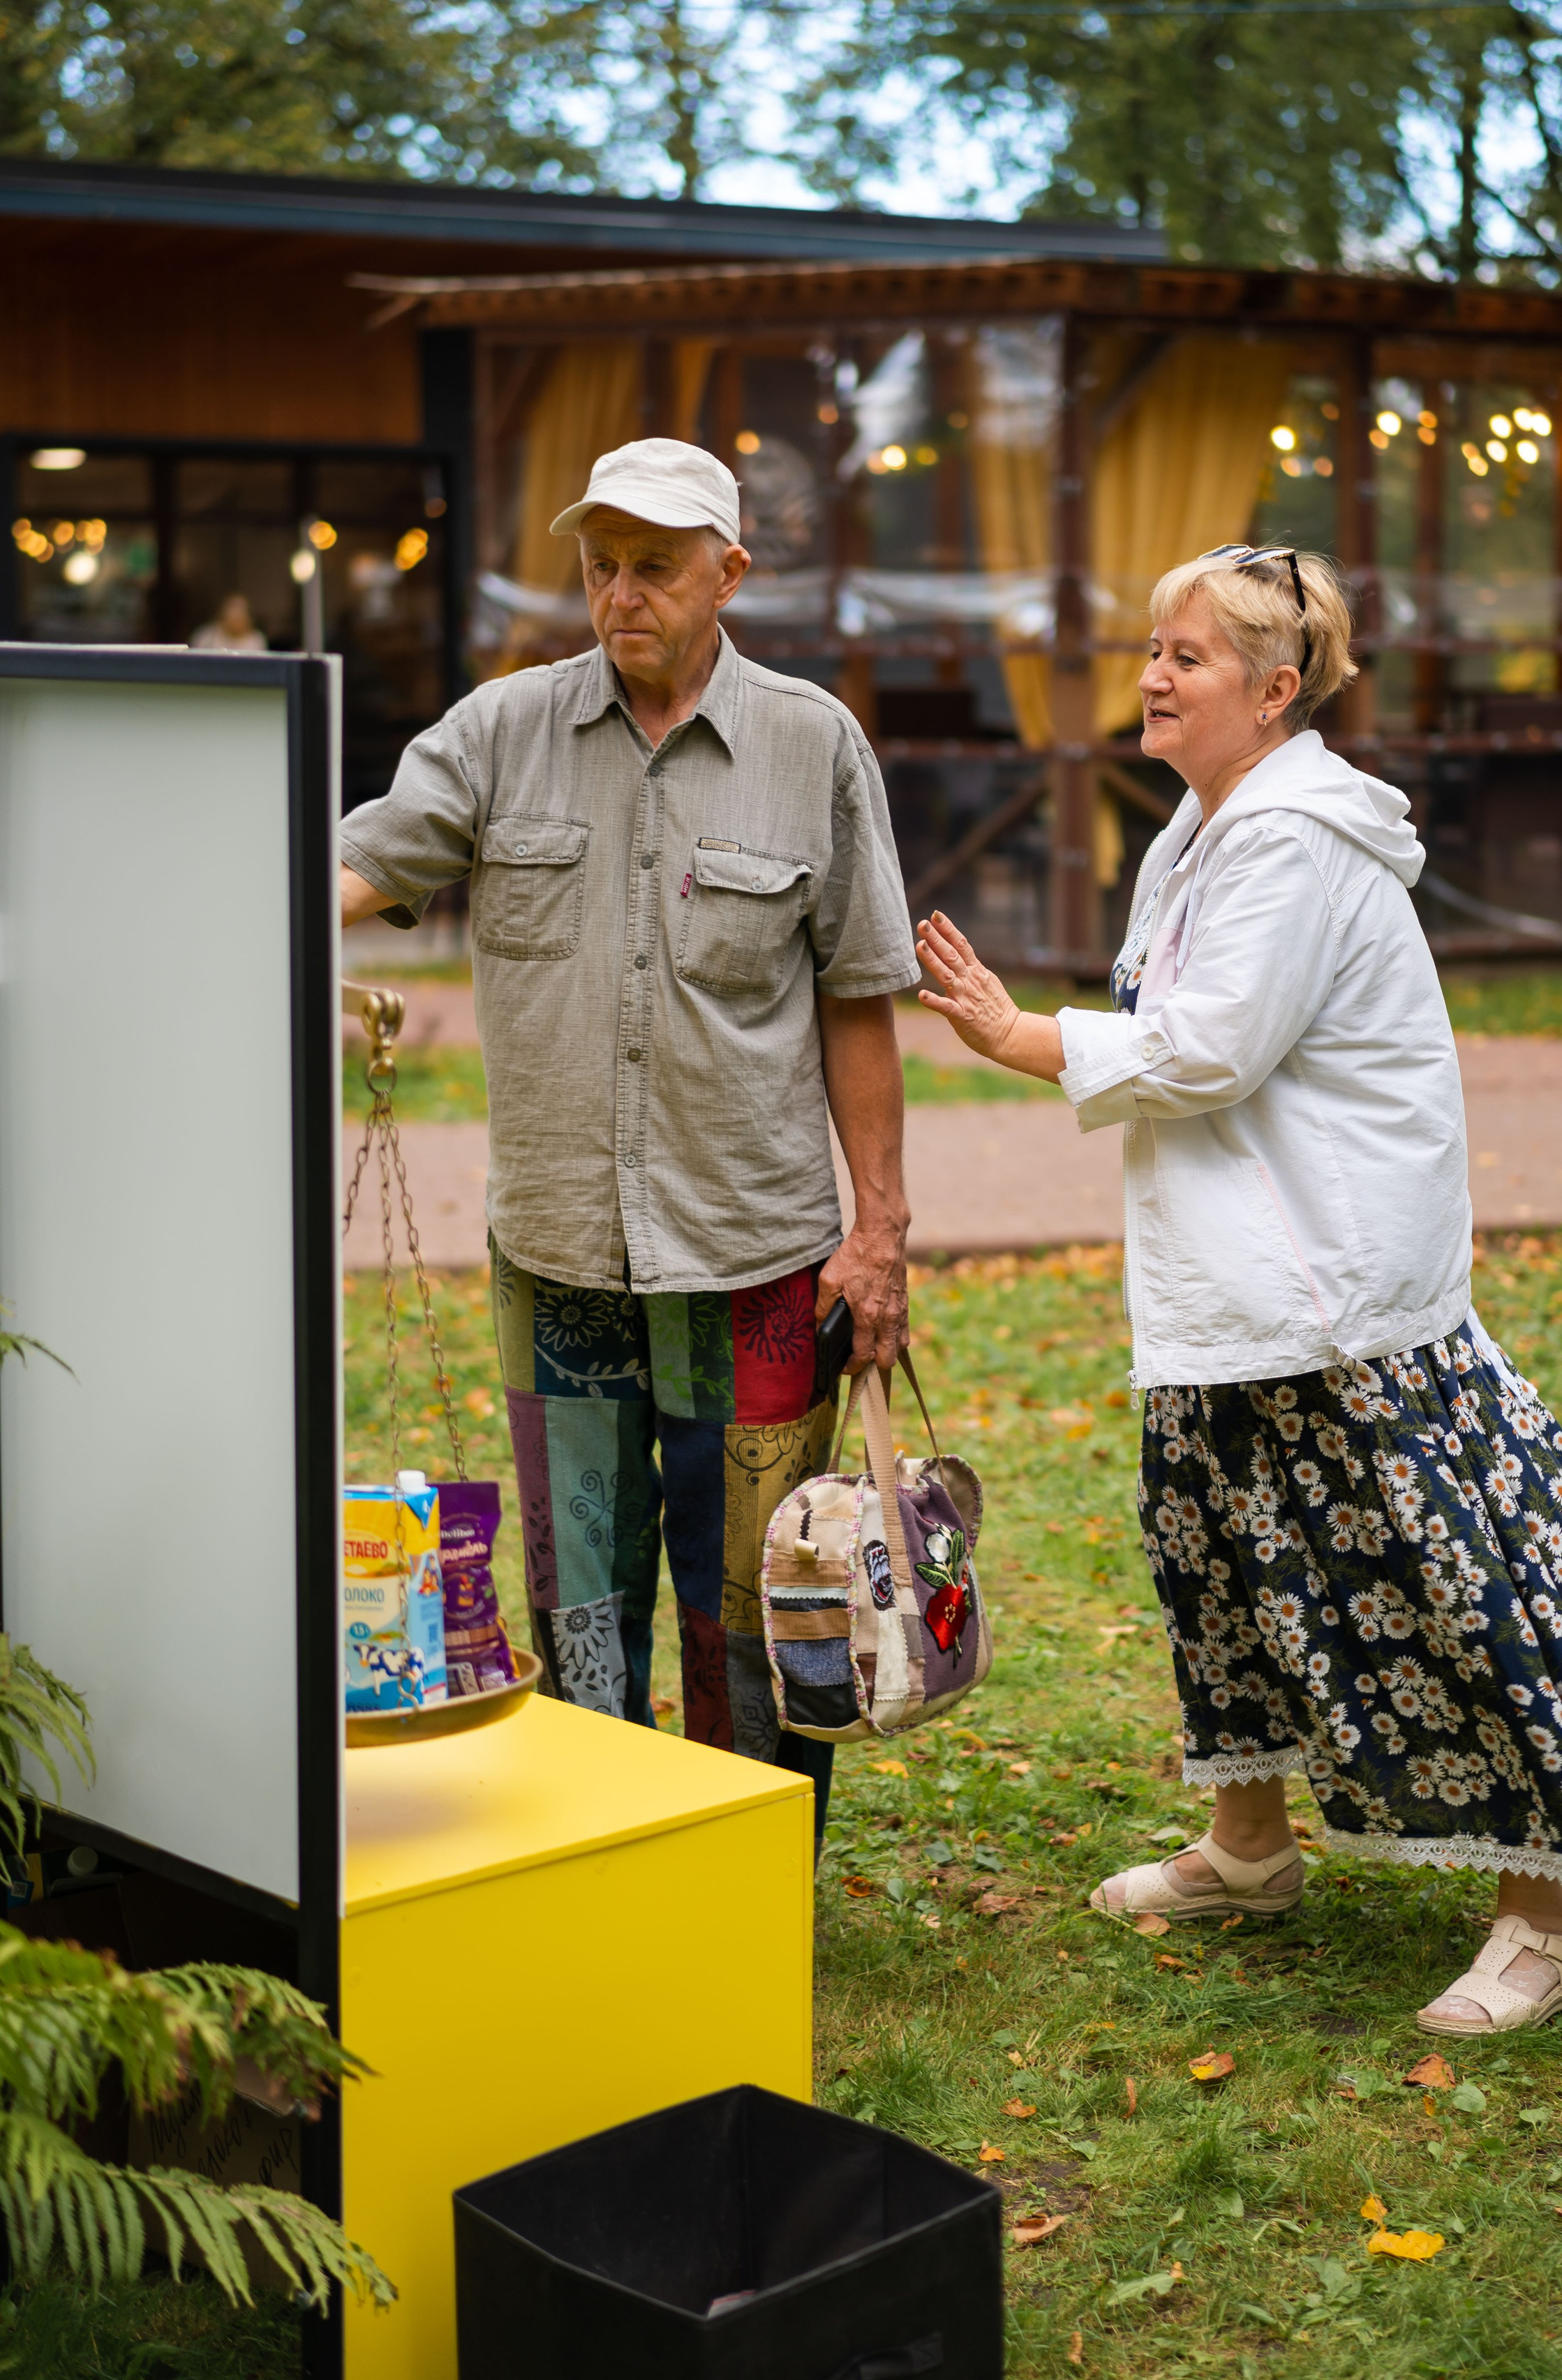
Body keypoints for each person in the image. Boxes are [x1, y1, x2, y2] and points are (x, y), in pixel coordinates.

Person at [914, 543, 1562, 2034]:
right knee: (1216, 1563)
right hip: (1228, 1288)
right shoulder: (1202, 827)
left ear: (1273, 688)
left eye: (1188, 656)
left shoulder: (1290, 839)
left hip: (1335, 1300)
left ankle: (1546, 1923)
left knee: (1434, 1597)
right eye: (1152, 647)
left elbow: (1207, 1046)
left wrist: (1016, 1034)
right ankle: (1246, 1846)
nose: (1151, 675)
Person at [337, 438, 918, 1843]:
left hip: (757, 1259)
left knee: (756, 1607)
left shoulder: (807, 743)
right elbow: (357, 866)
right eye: (598, 565)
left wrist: (878, 1232)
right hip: (558, 1255)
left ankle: (749, 1863)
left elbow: (856, 998)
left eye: (653, 566)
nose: (619, 595)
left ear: (730, 571)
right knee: (576, 1599)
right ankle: (605, 1857)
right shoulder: (500, 731)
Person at [191, 592, 267, 652]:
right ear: (222, 616)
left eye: (241, 614)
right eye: (233, 615)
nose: (237, 620)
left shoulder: (256, 640)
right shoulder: (206, 637)